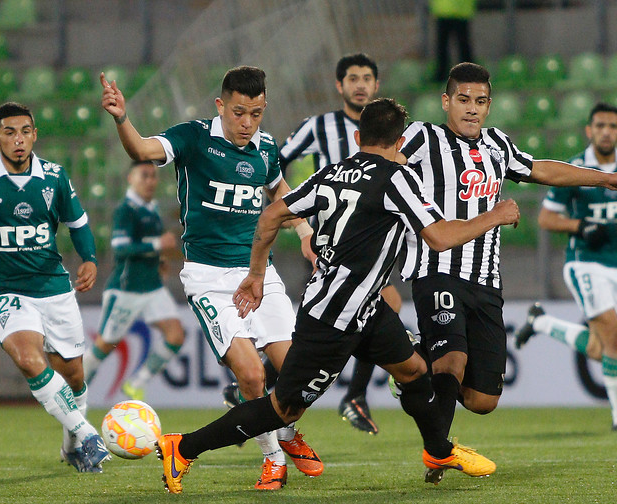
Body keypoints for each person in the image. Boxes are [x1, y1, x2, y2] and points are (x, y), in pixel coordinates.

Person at [154, 98, 521, 494]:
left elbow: (272, 214)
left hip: (366, 308)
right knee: (284, 408)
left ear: (359, 136)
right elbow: (440, 237)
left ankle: (438, 449)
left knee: (414, 370)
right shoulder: (398, 178)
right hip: (334, 319)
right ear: (400, 142)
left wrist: (256, 273)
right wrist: (495, 216)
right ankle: (184, 447)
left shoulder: (333, 172)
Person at [100, 66, 323, 490]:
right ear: (221, 105)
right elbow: (143, 150)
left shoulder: (266, 148)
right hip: (209, 277)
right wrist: (121, 119)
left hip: (260, 272)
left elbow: (280, 193)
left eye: (256, 114)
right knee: (252, 375)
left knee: (296, 370)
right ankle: (273, 457)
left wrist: (306, 230)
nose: (247, 123)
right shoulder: (193, 137)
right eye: (239, 112)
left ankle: (290, 434)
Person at [398, 62, 617, 484]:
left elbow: (540, 169)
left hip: (486, 281)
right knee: (453, 359)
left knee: (483, 400)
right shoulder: (424, 137)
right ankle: (438, 454)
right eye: (463, 100)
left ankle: (412, 366)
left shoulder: (497, 143)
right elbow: (384, 164)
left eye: (480, 102)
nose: (472, 110)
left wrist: (604, 178)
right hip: (437, 269)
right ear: (446, 101)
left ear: (489, 106)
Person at [0, 102, 110, 472]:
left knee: (74, 377)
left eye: (24, 132)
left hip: (55, 290)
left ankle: (71, 446)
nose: (18, 140)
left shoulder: (54, 177)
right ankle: (87, 434)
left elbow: (78, 223)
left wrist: (89, 259)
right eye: (9, 132)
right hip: (9, 292)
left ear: (35, 134)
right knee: (28, 358)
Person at [277, 52, 401, 434]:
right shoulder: (318, 126)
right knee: (334, 321)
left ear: (377, 86)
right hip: (326, 241)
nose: (360, 84)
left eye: (367, 77)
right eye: (353, 78)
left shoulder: (390, 132)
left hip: (372, 239)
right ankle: (345, 396)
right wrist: (296, 219)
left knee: (348, 317)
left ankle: (351, 396)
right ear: (339, 85)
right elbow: (274, 166)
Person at [514, 102, 617, 430]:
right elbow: (545, 218)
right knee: (615, 341)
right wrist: (580, 227)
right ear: (589, 130)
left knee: (603, 349)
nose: (606, 132)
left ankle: (543, 324)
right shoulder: (576, 170)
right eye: (600, 125)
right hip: (586, 264)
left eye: (613, 126)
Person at [82, 160, 185, 401]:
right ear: (131, 178)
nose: (150, 181)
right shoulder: (126, 210)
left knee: (175, 335)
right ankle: (74, 394)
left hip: (152, 287)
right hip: (126, 290)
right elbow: (120, 248)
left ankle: (137, 383)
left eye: (153, 176)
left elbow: (145, 245)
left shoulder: (151, 208)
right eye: (144, 175)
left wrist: (159, 260)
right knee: (104, 346)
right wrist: (157, 245)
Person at [430, 0, 476, 82]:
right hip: (459, 10)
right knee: (462, 45)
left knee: (444, 45)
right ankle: (468, 73)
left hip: (445, 9)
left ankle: (442, 74)